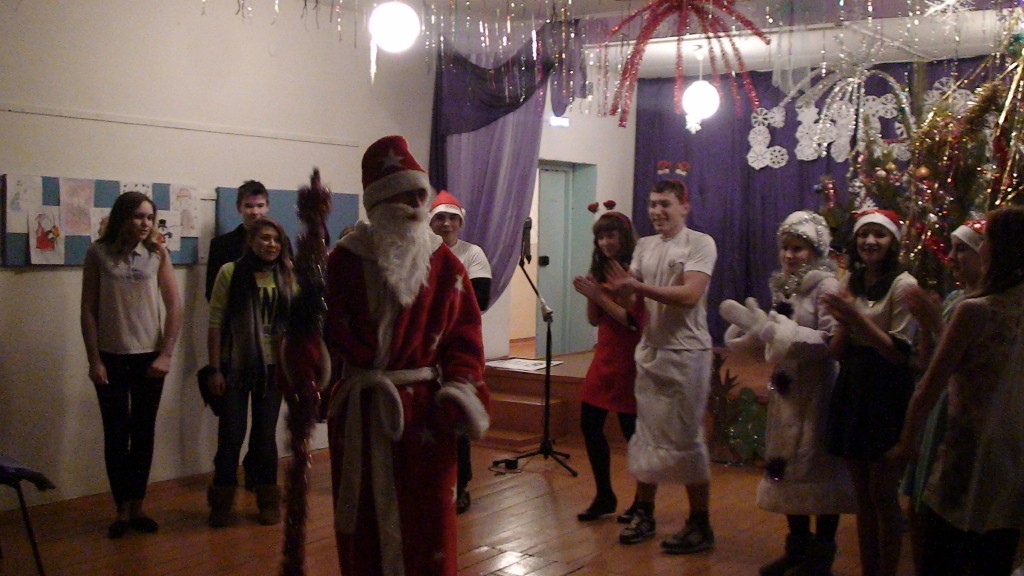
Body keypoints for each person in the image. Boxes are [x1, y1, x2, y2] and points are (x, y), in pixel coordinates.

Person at [324, 135, 490, 576]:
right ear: (378, 204)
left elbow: (466, 338)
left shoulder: (447, 266)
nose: (416, 206)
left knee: (427, 524)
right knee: (362, 521)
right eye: (404, 197)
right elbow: (323, 338)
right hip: (360, 412)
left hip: (423, 416)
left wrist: (460, 391)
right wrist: (308, 370)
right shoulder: (343, 261)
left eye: (420, 195)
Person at [888, 205, 1024, 576]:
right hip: (1013, 457)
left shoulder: (976, 310)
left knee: (941, 554)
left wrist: (905, 445)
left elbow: (929, 386)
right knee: (994, 554)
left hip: (968, 454)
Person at [721, 211, 855, 575]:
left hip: (817, 390)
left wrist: (781, 335)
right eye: (785, 248)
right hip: (787, 390)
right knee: (787, 467)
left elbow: (830, 342)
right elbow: (774, 333)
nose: (789, 255)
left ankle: (821, 555)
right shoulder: (784, 285)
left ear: (816, 251)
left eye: (798, 248)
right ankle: (797, 548)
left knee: (818, 466)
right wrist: (754, 335)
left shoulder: (827, 287)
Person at [604, 179, 717, 555]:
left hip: (687, 354)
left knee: (686, 438)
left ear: (685, 206)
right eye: (652, 204)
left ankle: (700, 523)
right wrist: (615, 289)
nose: (656, 211)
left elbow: (689, 295)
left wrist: (637, 287)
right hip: (651, 351)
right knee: (646, 435)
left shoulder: (700, 243)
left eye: (665, 204)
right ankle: (644, 512)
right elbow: (630, 298)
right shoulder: (645, 246)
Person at [80, 191, 183, 539]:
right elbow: (88, 309)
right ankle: (121, 509)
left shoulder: (157, 254)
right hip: (110, 356)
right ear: (122, 217)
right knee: (116, 434)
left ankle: (138, 506)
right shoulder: (98, 253)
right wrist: (94, 359)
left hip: (148, 357)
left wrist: (166, 354)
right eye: (139, 216)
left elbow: (175, 305)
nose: (145, 223)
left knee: (142, 433)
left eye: (150, 217)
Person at [821, 208, 917, 576]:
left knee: (882, 492)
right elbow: (836, 351)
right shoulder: (853, 281)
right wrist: (844, 322)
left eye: (879, 234)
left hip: (886, 390)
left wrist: (855, 318)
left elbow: (897, 352)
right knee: (861, 494)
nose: (870, 241)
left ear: (893, 241)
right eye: (864, 234)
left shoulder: (903, 285)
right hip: (854, 385)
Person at [901, 219, 985, 575]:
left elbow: (962, 367)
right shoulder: (954, 300)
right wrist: (926, 324)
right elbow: (928, 364)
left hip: (959, 415)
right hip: (936, 409)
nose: (951, 257)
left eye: (962, 249)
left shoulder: (985, 308)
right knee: (919, 503)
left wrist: (934, 321)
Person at [206, 217, 295, 527]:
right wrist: (215, 369)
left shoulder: (287, 276)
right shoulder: (230, 272)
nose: (271, 244)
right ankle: (221, 501)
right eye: (265, 238)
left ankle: (268, 500)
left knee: (264, 438)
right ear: (251, 241)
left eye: (277, 239)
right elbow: (215, 323)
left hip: (273, 369)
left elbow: (298, 324)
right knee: (231, 435)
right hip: (235, 366)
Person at [571, 210, 644, 523]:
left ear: (623, 237)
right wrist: (591, 293)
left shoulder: (636, 271)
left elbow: (632, 321)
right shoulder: (600, 270)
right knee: (590, 424)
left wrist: (598, 296)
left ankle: (642, 501)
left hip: (630, 360)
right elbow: (593, 320)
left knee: (632, 433)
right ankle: (604, 495)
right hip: (604, 358)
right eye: (600, 237)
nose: (605, 242)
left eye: (610, 235)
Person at [428, 189, 492, 515]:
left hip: (457, 346)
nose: (446, 224)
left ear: (460, 222)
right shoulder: (421, 251)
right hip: (425, 349)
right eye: (440, 218)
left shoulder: (472, 254)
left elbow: (478, 300)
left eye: (452, 218)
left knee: (458, 412)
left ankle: (461, 484)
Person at [206, 180, 269, 301]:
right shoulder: (220, 245)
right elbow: (212, 292)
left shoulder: (280, 242)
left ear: (267, 207)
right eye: (249, 206)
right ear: (239, 207)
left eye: (260, 205)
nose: (255, 212)